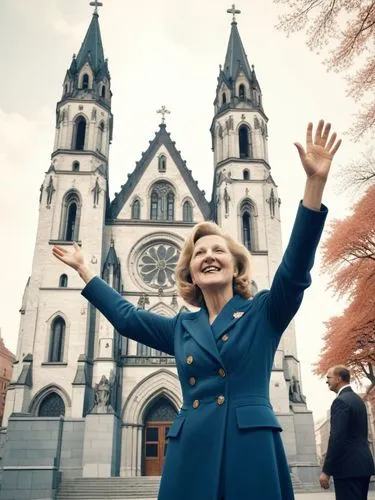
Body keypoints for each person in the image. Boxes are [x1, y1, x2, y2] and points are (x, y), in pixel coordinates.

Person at [53, 120, 341, 500]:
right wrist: (84, 270)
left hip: (249, 450)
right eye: (199, 253)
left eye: (218, 250)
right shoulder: (182, 328)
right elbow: (126, 318)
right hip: (191, 451)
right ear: (189, 271)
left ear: (236, 266)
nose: (208, 256)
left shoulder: (263, 313)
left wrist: (314, 185)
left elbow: (294, 269)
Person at [320, 365, 375, 499]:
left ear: (338, 379)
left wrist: (326, 470)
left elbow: (337, 438)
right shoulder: (358, 400)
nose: (326, 381)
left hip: (347, 468)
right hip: (362, 465)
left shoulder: (340, 402)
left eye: (329, 377)